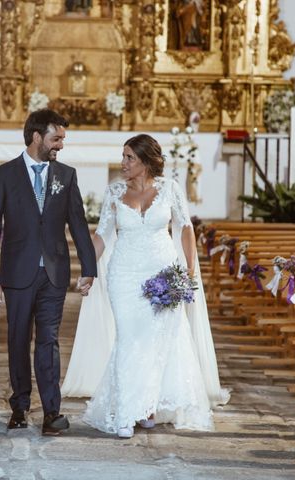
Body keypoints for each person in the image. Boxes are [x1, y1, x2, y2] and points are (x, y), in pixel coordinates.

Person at [63, 134, 229, 438]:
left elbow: (185, 229)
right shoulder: (114, 192)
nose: (123, 163)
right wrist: (87, 269)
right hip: (123, 275)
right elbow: (100, 235)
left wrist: (188, 272)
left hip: (162, 273)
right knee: (129, 339)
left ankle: (148, 406)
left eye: (130, 158)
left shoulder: (170, 189)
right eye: (123, 156)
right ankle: (126, 412)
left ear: (146, 162)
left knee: (157, 342)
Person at [0, 108, 97, 436]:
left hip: (54, 274)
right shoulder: (3, 175)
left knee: (48, 341)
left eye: (62, 138)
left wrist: (89, 267)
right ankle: (19, 407)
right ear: (36, 137)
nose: (60, 144)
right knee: (18, 341)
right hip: (16, 274)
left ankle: (51, 413)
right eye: (56, 138)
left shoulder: (66, 175)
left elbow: (77, 222)